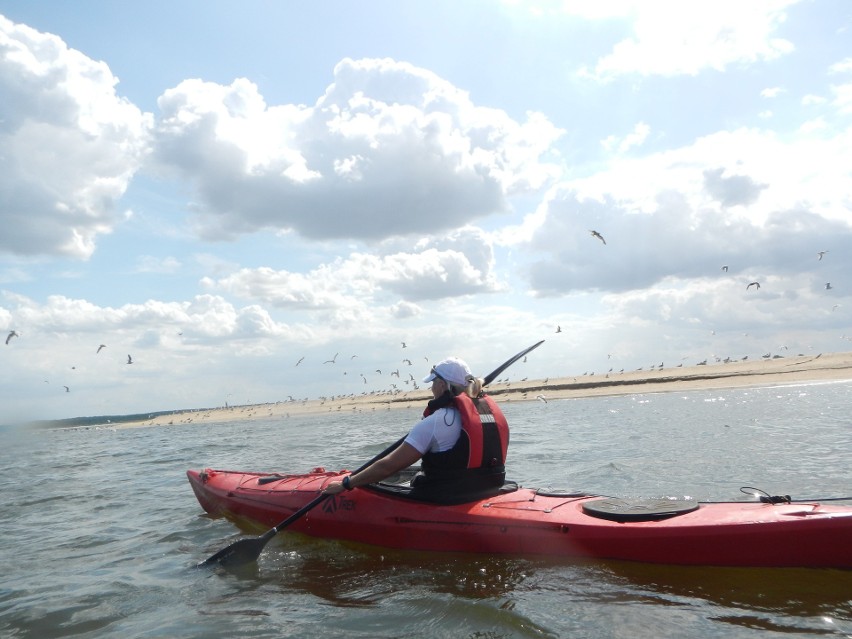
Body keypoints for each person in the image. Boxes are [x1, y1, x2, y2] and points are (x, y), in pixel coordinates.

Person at [323, 356, 510, 502]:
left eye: (433, 383)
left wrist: (347, 483)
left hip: (450, 497)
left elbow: (388, 466)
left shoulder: (435, 422)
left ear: (442, 385)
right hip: (485, 489)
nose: (431, 389)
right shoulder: (489, 415)